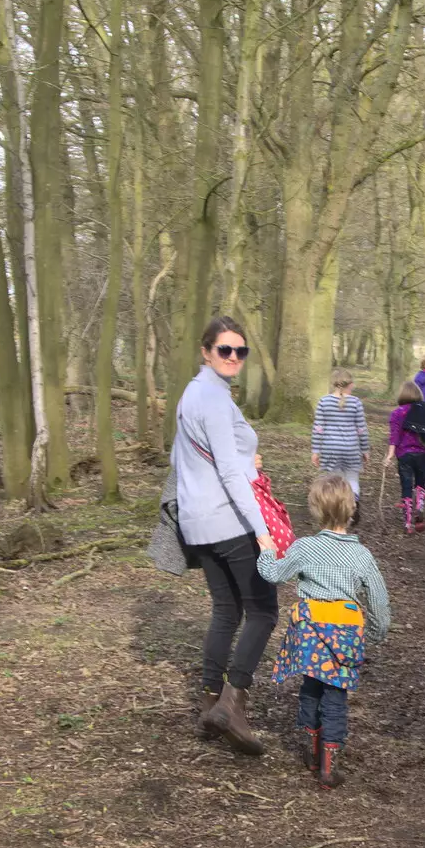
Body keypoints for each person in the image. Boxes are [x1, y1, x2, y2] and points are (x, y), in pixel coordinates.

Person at [177, 316, 279, 757]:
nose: (234, 358)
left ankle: (208, 702)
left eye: (241, 351)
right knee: (263, 612)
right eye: (225, 350)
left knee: (224, 610)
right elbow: (228, 473)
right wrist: (263, 531)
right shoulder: (215, 400)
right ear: (206, 351)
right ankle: (232, 704)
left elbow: (188, 459)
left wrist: (243, 459)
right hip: (229, 520)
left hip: (198, 522)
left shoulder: (193, 392)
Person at [260, 475, 391, 790]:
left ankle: (311, 750)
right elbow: (379, 601)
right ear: (351, 509)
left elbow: (273, 573)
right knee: (336, 696)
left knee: (310, 687)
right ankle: (329, 765)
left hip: (310, 632)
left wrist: (267, 550)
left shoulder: (304, 548)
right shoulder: (362, 556)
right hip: (345, 635)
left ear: (315, 511)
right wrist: (373, 634)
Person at [312, 368, 370, 521]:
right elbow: (361, 429)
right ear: (350, 385)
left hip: (330, 449)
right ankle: (353, 504)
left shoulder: (324, 401)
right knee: (352, 479)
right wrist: (365, 449)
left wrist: (316, 451)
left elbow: (318, 428)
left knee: (333, 480)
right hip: (351, 448)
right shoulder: (356, 402)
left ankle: (334, 510)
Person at [386, 380, 425, 534]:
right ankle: (419, 506)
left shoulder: (397, 413)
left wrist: (390, 455)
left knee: (406, 486)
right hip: (423, 454)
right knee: (420, 483)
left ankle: (408, 523)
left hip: (404, 455)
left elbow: (394, 436)